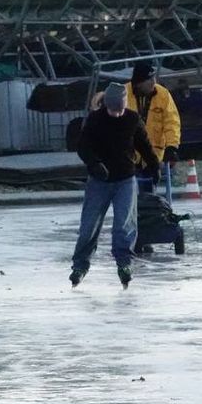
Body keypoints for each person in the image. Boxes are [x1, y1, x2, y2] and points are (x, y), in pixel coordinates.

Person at [70, 82, 159, 289]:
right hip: (99, 181)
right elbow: (83, 147)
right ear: (106, 106)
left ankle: (124, 264)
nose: (117, 114)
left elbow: (144, 145)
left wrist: (154, 166)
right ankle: (80, 266)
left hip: (125, 180)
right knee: (89, 226)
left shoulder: (132, 119)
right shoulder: (95, 120)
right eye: (113, 110)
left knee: (124, 225)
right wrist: (95, 164)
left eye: (120, 110)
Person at [126, 61, 180, 192]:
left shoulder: (163, 94)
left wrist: (172, 146)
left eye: (153, 78)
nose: (153, 82)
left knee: (149, 195)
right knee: (129, 196)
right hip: (128, 156)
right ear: (138, 82)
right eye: (148, 79)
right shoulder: (124, 94)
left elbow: (171, 121)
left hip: (153, 156)